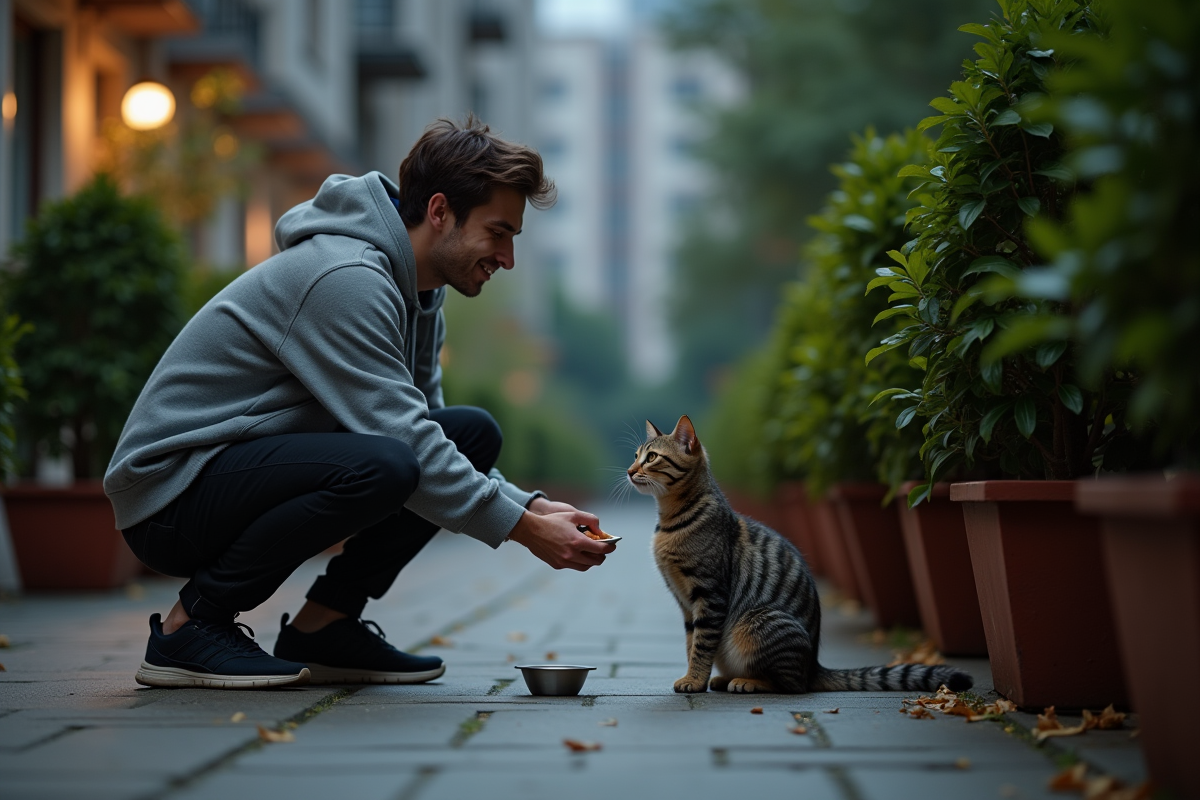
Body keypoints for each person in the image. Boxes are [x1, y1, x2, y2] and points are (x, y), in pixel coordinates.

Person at [104, 117, 615, 690]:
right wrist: (521, 528)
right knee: (390, 464)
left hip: (233, 473)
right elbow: (405, 440)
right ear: (441, 211)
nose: (508, 256)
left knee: (470, 433)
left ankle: (324, 628)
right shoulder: (346, 277)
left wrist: (534, 506)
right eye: (498, 232)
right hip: (171, 493)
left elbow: (430, 432)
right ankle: (188, 630)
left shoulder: (420, 291)